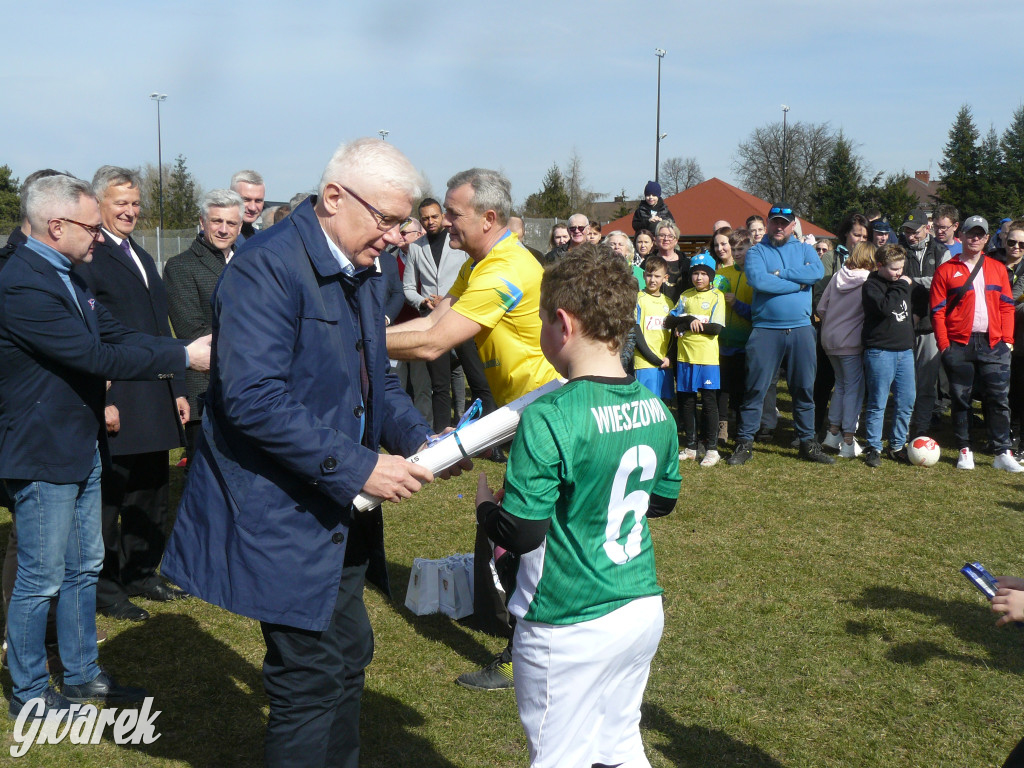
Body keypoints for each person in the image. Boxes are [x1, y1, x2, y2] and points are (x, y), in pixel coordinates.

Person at [161, 138, 460, 766]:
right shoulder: (265, 268)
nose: (395, 236)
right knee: (309, 677)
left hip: (340, 514)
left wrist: (416, 437)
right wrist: (359, 466)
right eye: (387, 219)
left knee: (347, 652)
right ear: (333, 198)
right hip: (287, 513)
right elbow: (251, 399)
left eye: (403, 222)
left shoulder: (363, 270)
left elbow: (374, 378)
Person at [0, 173, 210, 719]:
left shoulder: (71, 273)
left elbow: (114, 334)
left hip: (82, 440)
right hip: (44, 449)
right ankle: (29, 692)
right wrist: (183, 359)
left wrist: (181, 347)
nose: (99, 236)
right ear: (56, 225)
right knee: (41, 575)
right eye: (91, 227)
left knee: (84, 564)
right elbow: (95, 358)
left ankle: (82, 674)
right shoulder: (20, 283)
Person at [475, 243, 680, 768]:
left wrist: (485, 511)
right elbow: (661, 502)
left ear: (561, 324)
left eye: (541, 319)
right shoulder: (656, 408)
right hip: (638, 604)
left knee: (558, 757)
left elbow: (520, 535)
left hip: (567, 618)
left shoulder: (549, 416)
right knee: (620, 746)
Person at [386, 168, 559, 691]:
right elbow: (436, 320)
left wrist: (347, 343)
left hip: (545, 417)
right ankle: (521, 637)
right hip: (524, 417)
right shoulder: (482, 262)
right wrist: (362, 336)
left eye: (454, 215)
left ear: (489, 217)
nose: (446, 223)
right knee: (521, 536)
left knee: (530, 540)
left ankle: (523, 655)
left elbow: (436, 342)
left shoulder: (507, 267)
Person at [76, 166, 190, 622]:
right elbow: (95, 336)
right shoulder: (90, 256)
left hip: (155, 391)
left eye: (136, 203)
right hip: (118, 393)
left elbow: (158, 328)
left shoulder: (141, 255)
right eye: (121, 202)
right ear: (98, 204)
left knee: (152, 490)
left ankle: (142, 571)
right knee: (110, 497)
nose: (130, 210)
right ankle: (105, 588)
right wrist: (103, 398)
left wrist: (178, 387)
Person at [728, 206, 832, 466]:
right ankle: (744, 442)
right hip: (765, 330)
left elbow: (816, 273)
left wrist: (782, 275)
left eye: (784, 223)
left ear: (793, 224)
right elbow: (759, 281)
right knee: (755, 389)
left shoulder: (806, 250)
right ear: (768, 223)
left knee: (804, 388)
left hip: (800, 329)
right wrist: (798, 283)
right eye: (775, 222)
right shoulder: (756, 252)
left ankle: (808, 442)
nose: (779, 227)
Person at [931, 215, 1022, 471]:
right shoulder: (946, 270)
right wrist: (944, 345)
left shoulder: (997, 268)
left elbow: (1006, 306)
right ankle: (964, 449)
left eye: (980, 234)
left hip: (994, 344)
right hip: (959, 344)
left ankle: (1002, 451)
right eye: (971, 233)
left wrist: (1007, 340)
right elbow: (937, 311)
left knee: (998, 399)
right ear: (961, 236)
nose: (975, 238)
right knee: (961, 399)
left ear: (986, 238)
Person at [164, 188, 245, 470]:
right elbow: (191, 329)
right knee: (205, 479)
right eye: (216, 221)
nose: (224, 230)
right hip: (207, 388)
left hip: (251, 391)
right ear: (202, 221)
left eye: (231, 223)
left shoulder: (253, 263)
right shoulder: (181, 267)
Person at [402, 197, 495, 432]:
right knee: (440, 386)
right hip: (433, 323)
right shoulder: (415, 247)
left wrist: (453, 298)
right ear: (420, 220)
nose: (430, 221)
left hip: (461, 316)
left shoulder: (457, 242)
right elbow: (408, 287)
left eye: (434, 216)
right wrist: (422, 300)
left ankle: (489, 438)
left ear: (442, 215)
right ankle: (442, 439)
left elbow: (474, 276)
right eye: (425, 218)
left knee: (478, 380)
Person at [858, 244, 916, 467]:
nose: (899, 273)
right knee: (878, 401)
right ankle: (873, 446)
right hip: (880, 351)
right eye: (893, 269)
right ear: (880, 265)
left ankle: (897, 445)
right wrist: (901, 285)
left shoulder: (902, 282)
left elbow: (915, 299)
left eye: (901, 268)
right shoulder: (871, 286)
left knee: (907, 400)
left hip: (905, 350)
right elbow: (886, 308)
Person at [818, 243, 875, 458]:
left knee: (841, 386)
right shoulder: (868, 281)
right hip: (851, 342)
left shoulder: (837, 276)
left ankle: (833, 433)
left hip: (829, 339)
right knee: (854, 389)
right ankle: (848, 439)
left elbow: (821, 308)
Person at [898, 207, 951, 439]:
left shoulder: (941, 252)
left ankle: (921, 428)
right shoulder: (899, 251)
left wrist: (912, 281)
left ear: (927, 229)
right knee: (904, 384)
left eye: (915, 231)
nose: (911, 236)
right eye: (907, 231)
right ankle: (902, 427)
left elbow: (944, 282)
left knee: (928, 383)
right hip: (903, 326)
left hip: (931, 326)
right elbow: (893, 280)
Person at [669, 252, 725, 466]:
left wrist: (686, 324)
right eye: (695, 273)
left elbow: (715, 328)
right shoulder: (685, 296)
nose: (699, 278)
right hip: (685, 357)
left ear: (710, 276)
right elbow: (669, 320)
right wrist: (687, 319)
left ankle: (712, 449)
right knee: (687, 401)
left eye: (703, 274)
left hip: (707, 358)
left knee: (709, 402)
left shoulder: (717, 296)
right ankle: (691, 447)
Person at [719, 229, 754, 442]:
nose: (737, 253)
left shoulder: (755, 275)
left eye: (741, 248)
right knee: (722, 389)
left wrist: (738, 305)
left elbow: (760, 312)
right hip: (722, 342)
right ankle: (721, 428)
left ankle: (743, 429)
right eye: (734, 249)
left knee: (742, 390)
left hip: (746, 343)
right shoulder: (723, 274)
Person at [997, 220, 1024, 457]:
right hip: (995, 335)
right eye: (1012, 241)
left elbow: (1008, 302)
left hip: (1021, 337)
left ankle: (1018, 437)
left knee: (1019, 388)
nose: (1016, 247)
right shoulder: (992, 262)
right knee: (998, 389)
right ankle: (1002, 434)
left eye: (1022, 244)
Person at [633, 255, 674, 402]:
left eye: (657, 276)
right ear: (644, 275)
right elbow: (635, 330)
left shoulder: (669, 303)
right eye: (649, 275)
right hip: (645, 362)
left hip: (664, 363)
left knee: (663, 404)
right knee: (645, 403)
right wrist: (651, 357)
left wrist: (669, 357)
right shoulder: (638, 299)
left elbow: (673, 334)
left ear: (665, 278)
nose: (652, 280)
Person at [654, 220, 686, 303]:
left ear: (676, 240)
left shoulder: (685, 263)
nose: (666, 239)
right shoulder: (648, 261)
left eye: (670, 236)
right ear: (656, 239)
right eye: (662, 235)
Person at [230, 169, 266, 242]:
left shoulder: (265, 240)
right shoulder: (218, 238)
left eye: (258, 201)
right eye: (246, 200)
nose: (252, 208)